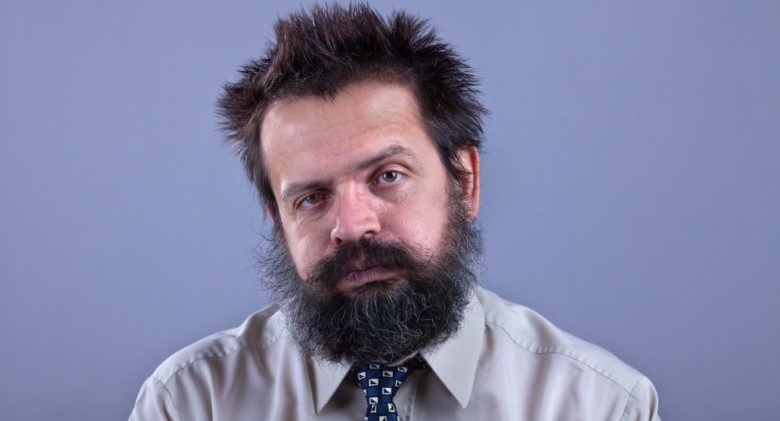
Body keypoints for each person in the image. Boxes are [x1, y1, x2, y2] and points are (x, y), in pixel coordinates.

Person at [129, 3, 660, 420]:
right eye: (311, 198)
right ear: (276, 218)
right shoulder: (190, 405)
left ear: (465, 182)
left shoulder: (602, 406)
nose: (353, 225)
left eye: (388, 176)